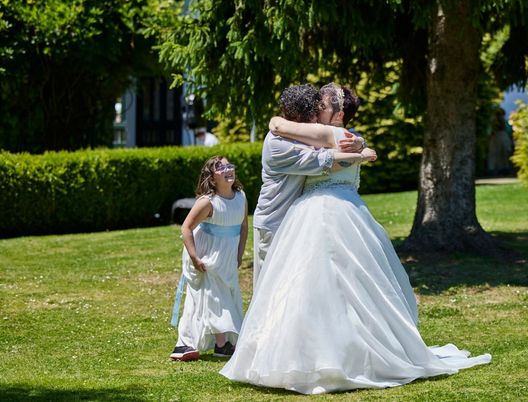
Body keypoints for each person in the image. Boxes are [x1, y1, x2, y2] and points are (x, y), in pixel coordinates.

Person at [219, 85, 491, 394]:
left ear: (338, 113)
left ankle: (323, 352)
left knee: (320, 286)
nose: (316, 108)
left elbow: (308, 143)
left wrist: (359, 150)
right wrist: (362, 150)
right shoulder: (327, 136)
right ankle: (314, 348)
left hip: (324, 214)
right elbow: (285, 130)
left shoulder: (331, 135)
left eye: (322, 103)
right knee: (306, 287)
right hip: (297, 218)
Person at [252, 84, 366, 286]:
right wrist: (361, 153)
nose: (318, 114)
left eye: (321, 108)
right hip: (274, 220)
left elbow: (337, 139)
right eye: (314, 111)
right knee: (269, 285)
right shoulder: (278, 143)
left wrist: (361, 145)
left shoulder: (311, 134)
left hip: (299, 219)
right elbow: (321, 160)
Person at [169, 156, 248, 361]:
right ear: (212, 179)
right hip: (205, 254)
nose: (228, 169)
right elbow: (186, 228)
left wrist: (239, 253)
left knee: (225, 295)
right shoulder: (207, 203)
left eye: (229, 165)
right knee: (209, 296)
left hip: (227, 256)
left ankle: (220, 343)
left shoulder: (241, 197)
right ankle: (192, 343)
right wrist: (195, 257)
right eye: (220, 168)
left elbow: (243, 226)